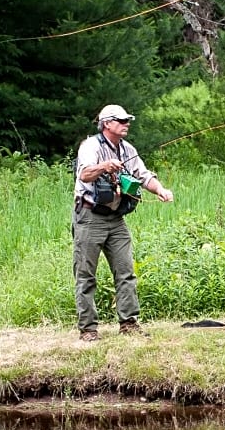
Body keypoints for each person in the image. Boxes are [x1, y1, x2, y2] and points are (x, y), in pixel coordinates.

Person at [72, 104, 174, 341]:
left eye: (127, 120)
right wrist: (104, 166)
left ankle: (128, 323)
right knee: (86, 274)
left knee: (126, 271)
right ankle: (88, 329)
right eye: (121, 120)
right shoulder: (90, 146)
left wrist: (160, 190)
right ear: (107, 123)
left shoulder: (128, 149)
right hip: (89, 217)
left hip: (116, 219)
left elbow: (144, 175)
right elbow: (84, 174)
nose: (126, 123)